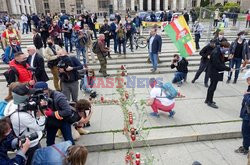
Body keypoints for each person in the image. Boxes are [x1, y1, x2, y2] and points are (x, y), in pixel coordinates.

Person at [4, 84, 46, 165]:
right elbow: (40, 126)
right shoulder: (21, 116)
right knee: (33, 162)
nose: (30, 95)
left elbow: (29, 106)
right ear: (22, 97)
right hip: (30, 145)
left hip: (25, 140)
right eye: (28, 94)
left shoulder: (13, 103)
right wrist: (41, 113)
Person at [33, 82, 75, 146]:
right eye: (37, 93)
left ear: (47, 89)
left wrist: (51, 113)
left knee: (69, 141)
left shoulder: (59, 97)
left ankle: (73, 155)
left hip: (63, 121)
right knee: (49, 142)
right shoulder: (37, 98)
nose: (40, 95)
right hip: (51, 122)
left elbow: (67, 111)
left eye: (41, 92)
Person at [205, 41, 233, 109]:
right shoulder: (216, 53)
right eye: (227, 49)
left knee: (212, 86)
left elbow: (220, 61)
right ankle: (210, 102)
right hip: (214, 72)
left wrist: (227, 59)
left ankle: (208, 100)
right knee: (212, 87)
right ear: (223, 47)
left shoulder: (219, 51)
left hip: (215, 71)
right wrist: (229, 69)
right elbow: (218, 65)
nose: (227, 50)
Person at [235, 70, 250, 155]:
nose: (246, 81)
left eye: (247, 79)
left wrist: (246, 95)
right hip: (246, 114)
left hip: (248, 116)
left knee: (246, 132)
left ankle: (245, 148)